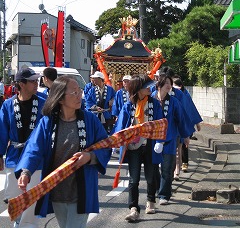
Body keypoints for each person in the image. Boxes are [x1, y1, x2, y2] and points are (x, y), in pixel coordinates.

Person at [15, 76, 111, 228]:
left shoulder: (90, 120)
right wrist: (26, 171)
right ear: (60, 99)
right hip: (57, 190)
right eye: (74, 93)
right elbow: (34, 148)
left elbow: (105, 145)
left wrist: (90, 157)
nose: (79, 95)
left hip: (81, 190)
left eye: (79, 91)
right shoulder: (48, 122)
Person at [113, 74, 164, 222]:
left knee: (150, 176)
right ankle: (133, 208)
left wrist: (160, 141)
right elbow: (120, 127)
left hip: (150, 145)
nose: (150, 87)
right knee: (133, 179)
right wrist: (118, 141)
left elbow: (161, 124)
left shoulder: (154, 104)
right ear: (138, 89)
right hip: (133, 146)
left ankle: (150, 201)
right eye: (147, 86)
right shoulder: (129, 105)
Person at [0, 67, 46, 228]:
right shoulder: (7, 105)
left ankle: (27, 226)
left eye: (36, 81)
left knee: (32, 198)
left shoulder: (43, 103)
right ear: (21, 83)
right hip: (14, 156)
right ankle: (19, 223)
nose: (36, 84)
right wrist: (0, 154)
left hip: (36, 159)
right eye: (32, 81)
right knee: (14, 197)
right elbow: (2, 131)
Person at [152, 74, 192, 205]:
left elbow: (181, 119)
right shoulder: (151, 99)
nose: (169, 86)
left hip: (169, 138)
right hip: (153, 139)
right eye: (166, 83)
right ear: (159, 85)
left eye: (170, 83)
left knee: (167, 168)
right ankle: (159, 189)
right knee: (153, 169)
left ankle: (164, 195)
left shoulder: (174, 101)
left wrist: (185, 135)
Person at [172, 76, 202, 173]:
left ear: (181, 86)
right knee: (177, 147)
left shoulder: (185, 95)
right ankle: (176, 168)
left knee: (184, 145)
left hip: (185, 123)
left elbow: (191, 109)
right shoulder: (169, 95)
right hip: (174, 125)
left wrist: (197, 123)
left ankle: (184, 164)